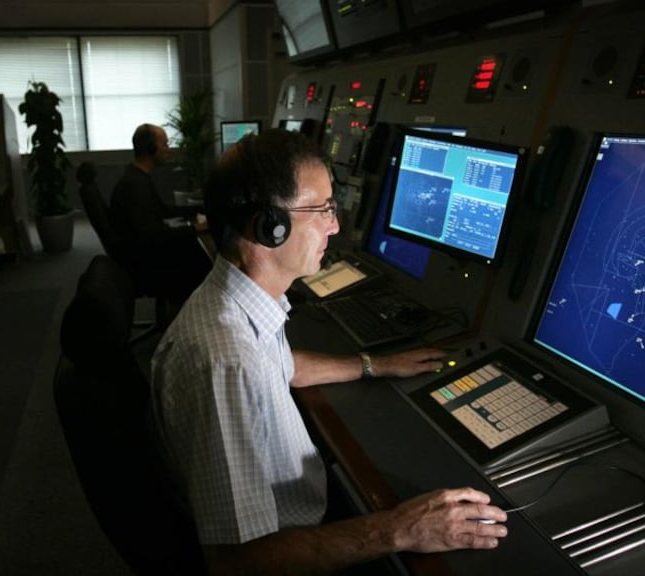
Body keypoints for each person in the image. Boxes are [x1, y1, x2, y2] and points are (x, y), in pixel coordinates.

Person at [149, 129, 508, 575]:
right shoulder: (226, 359)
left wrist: (372, 364)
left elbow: (279, 366)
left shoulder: (239, 301)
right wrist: (399, 530)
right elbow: (237, 561)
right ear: (271, 225)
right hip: (285, 550)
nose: (335, 226)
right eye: (322, 209)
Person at [109, 123, 211, 305]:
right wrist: (196, 228)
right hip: (144, 265)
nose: (168, 149)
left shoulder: (137, 176)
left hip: (140, 254)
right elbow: (153, 235)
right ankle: (186, 316)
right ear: (151, 149)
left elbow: (162, 210)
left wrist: (199, 209)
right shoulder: (135, 186)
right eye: (164, 144)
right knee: (204, 259)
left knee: (196, 247)